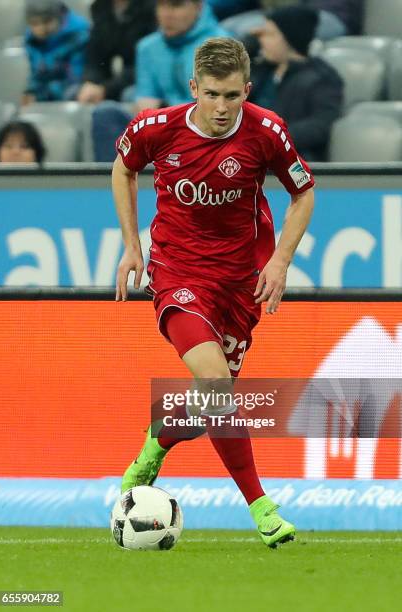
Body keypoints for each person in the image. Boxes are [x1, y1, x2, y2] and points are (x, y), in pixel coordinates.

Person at [112, 37, 315, 547]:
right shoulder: (153, 128)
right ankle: (263, 510)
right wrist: (132, 247)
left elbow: (303, 192)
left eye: (232, 96)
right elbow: (124, 167)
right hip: (178, 273)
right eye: (211, 95)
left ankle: (157, 441)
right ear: (193, 89)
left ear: (246, 89)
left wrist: (280, 261)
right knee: (219, 388)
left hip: (240, 283)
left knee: (213, 402)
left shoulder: (268, 131)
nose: (222, 108)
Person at [92, 0, 228, 161]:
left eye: (176, 6)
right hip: (162, 124)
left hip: (205, 130)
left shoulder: (221, 45)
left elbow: (217, 106)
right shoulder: (147, 47)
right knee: (106, 113)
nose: (167, 14)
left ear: (198, 7)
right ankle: (117, 182)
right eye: (161, 6)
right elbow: (146, 97)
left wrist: (163, 109)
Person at [250, 5, 343, 160]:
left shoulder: (322, 78)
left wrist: (271, 138)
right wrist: (248, 44)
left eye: (270, 35)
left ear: (290, 38)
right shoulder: (261, 70)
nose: (262, 40)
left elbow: (321, 124)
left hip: (290, 161)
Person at [77, 0, 156, 104]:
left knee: (129, 95)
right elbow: (94, 56)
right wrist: (90, 82)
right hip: (111, 81)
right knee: (77, 93)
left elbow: (145, 65)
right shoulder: (100, 7)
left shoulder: (151, 7)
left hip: (140, 79)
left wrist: (106, 89)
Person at [23, 0, 90, 104]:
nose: (41, 28)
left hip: (71, 94)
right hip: (45, 96)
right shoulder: (31, 40)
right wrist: (31, 91)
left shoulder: (79, 35)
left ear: (59, 17)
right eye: (35, 23)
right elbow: (35, 74)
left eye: (46, 21)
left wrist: (42, 93)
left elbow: (76, 78)